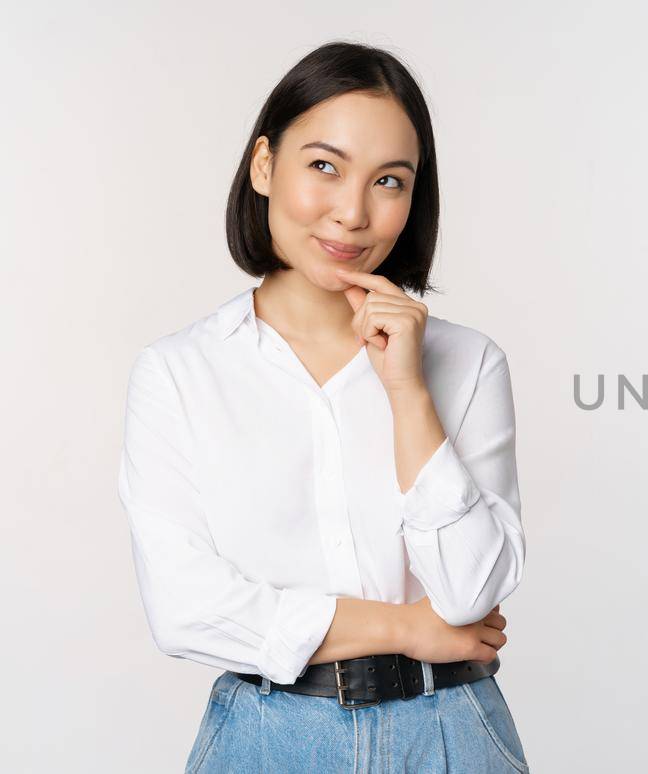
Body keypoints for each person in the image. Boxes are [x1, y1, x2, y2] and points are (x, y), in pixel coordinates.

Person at [116, 40, 530, 773]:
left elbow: (470, 591)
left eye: (390, 181)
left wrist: (407, 391)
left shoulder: (466, 365)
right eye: (325, 167)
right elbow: (185, 610)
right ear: (264, 166)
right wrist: (407, 629)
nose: (352, 212)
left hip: (451, 736)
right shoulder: (180, 374)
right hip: (268, 739)